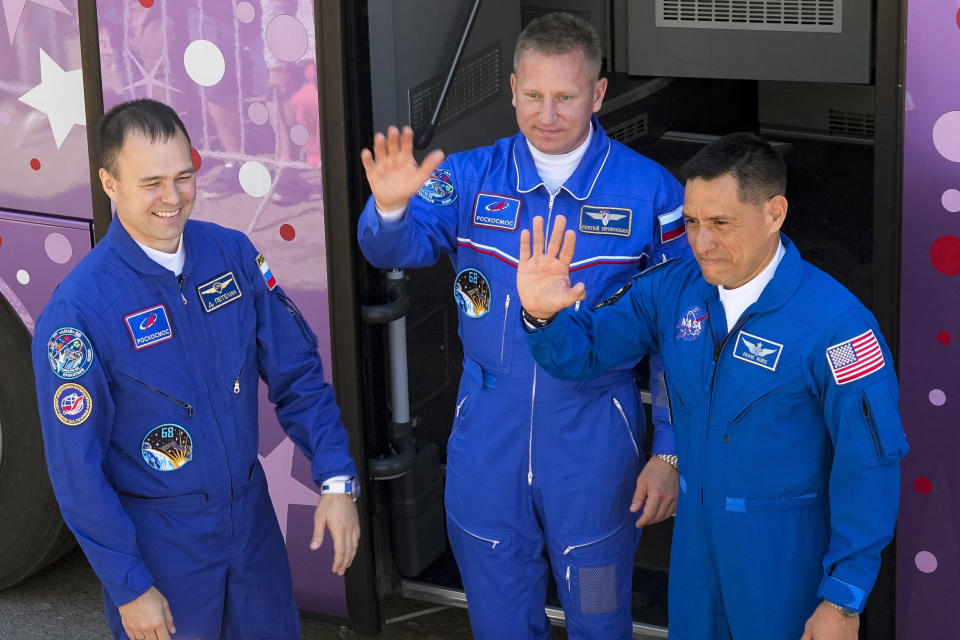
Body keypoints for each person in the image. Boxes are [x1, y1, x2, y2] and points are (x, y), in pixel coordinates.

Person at [357, 12, 690, 639]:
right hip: (486, 432)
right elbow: (390, 250)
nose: (547, 113)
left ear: (598, 94)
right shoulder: (465, 176)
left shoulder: (652, 192)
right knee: (500, 618)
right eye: (533, 95)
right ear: (512, 89)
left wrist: (671, 451)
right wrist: (391, 207)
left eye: (566, 96)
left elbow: (680, 337)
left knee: (598, 615)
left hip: (594, 438)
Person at [517, 133, 908, 640]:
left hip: (784, 559)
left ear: (774, 212)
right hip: (696, 551)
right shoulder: (673, 288)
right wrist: (542, 317)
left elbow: (870, 467)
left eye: (721, 223)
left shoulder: (838, 326)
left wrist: (844, 599)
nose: (701, 242)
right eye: (693, 222)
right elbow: (583, 355)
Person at [31, 99, 360, 640]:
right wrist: (131, 586)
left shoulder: (231, 255)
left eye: (184, 177)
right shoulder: (78, 313)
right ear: (109, 183)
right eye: (152, 182)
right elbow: (77, 471)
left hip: (251, 531)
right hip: (163, 549)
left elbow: (298, 376)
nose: (173, 197)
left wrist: (337, 479)